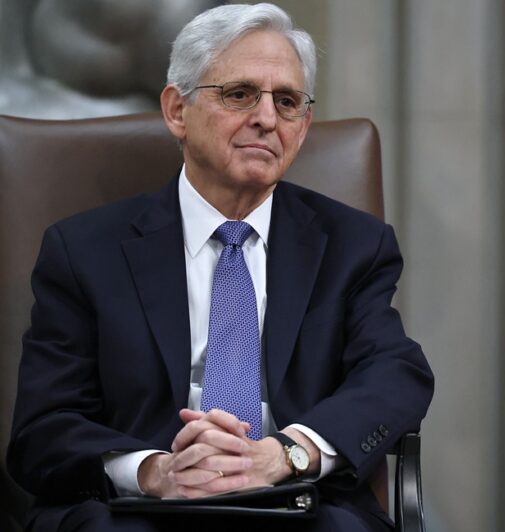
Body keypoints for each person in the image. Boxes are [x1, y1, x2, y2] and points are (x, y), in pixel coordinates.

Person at [6, 3, 433, 531]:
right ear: (176, 111)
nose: (267, 119)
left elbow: (397, 375)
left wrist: (287, 454)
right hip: (140, 511)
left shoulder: (352, 245)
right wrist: (155, 471)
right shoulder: (84, 251)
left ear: (303, 126)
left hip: (300, 502)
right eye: (239, 94)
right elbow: (44, 427)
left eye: (287, 102)